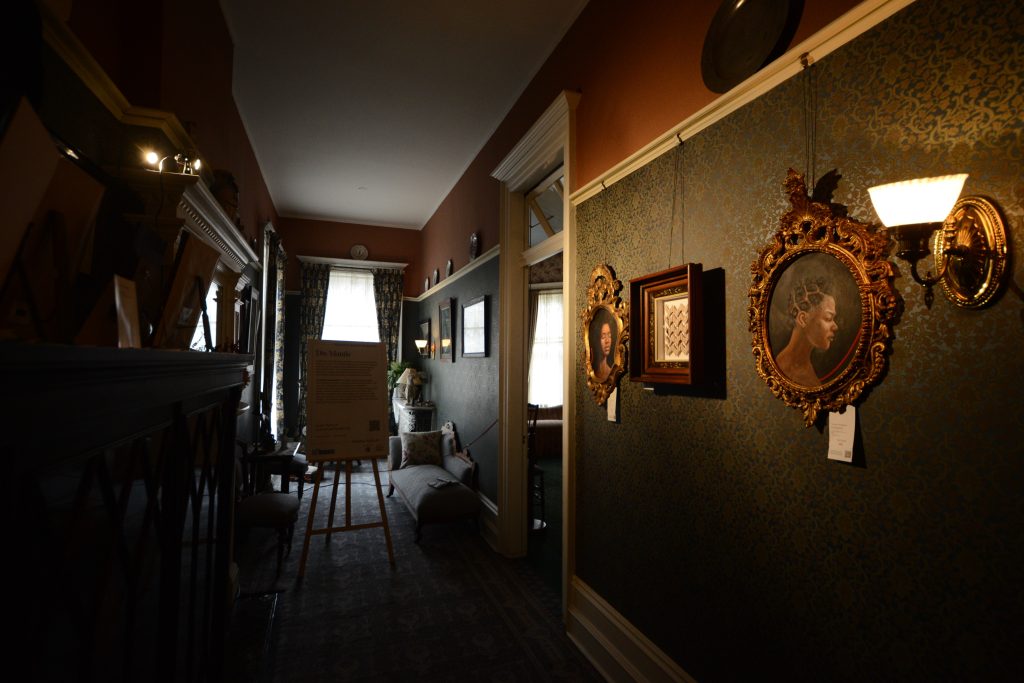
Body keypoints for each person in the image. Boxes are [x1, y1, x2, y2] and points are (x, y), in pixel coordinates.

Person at [774, 277, 838, 386]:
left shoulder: (810, 377)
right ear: (802, 319)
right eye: (828, 318)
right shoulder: (779, 366)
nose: (835, 326)